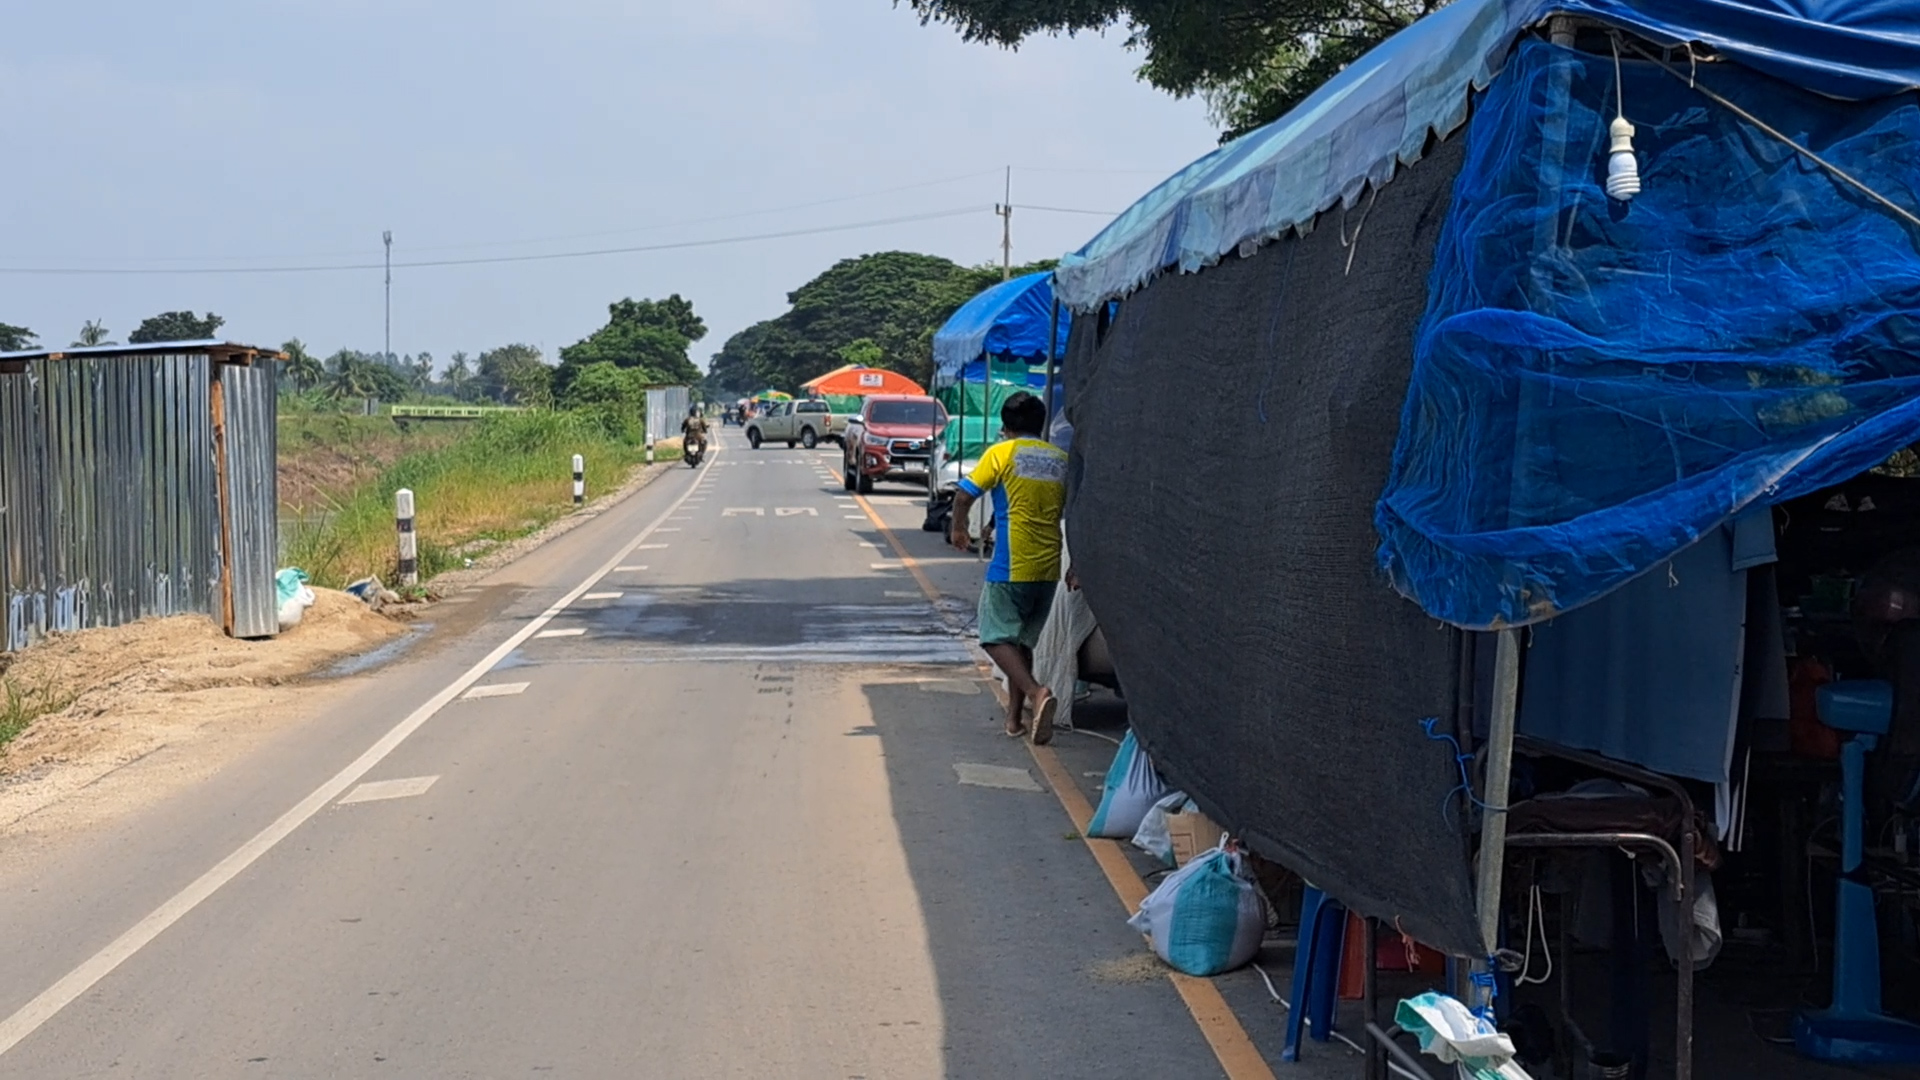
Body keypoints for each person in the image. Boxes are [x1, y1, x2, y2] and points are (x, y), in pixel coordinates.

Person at [950, 391, 1068, 744]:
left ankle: (1035, 693)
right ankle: (1015, 720)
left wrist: (958, 527)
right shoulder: (1060, 459)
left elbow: (963, 494)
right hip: (1049, 567)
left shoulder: (1001, 453)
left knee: (993, 635)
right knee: (1021, 642)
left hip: (1012, 563)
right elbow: (1077, 513)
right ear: (1041, 424)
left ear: (1006, 426)